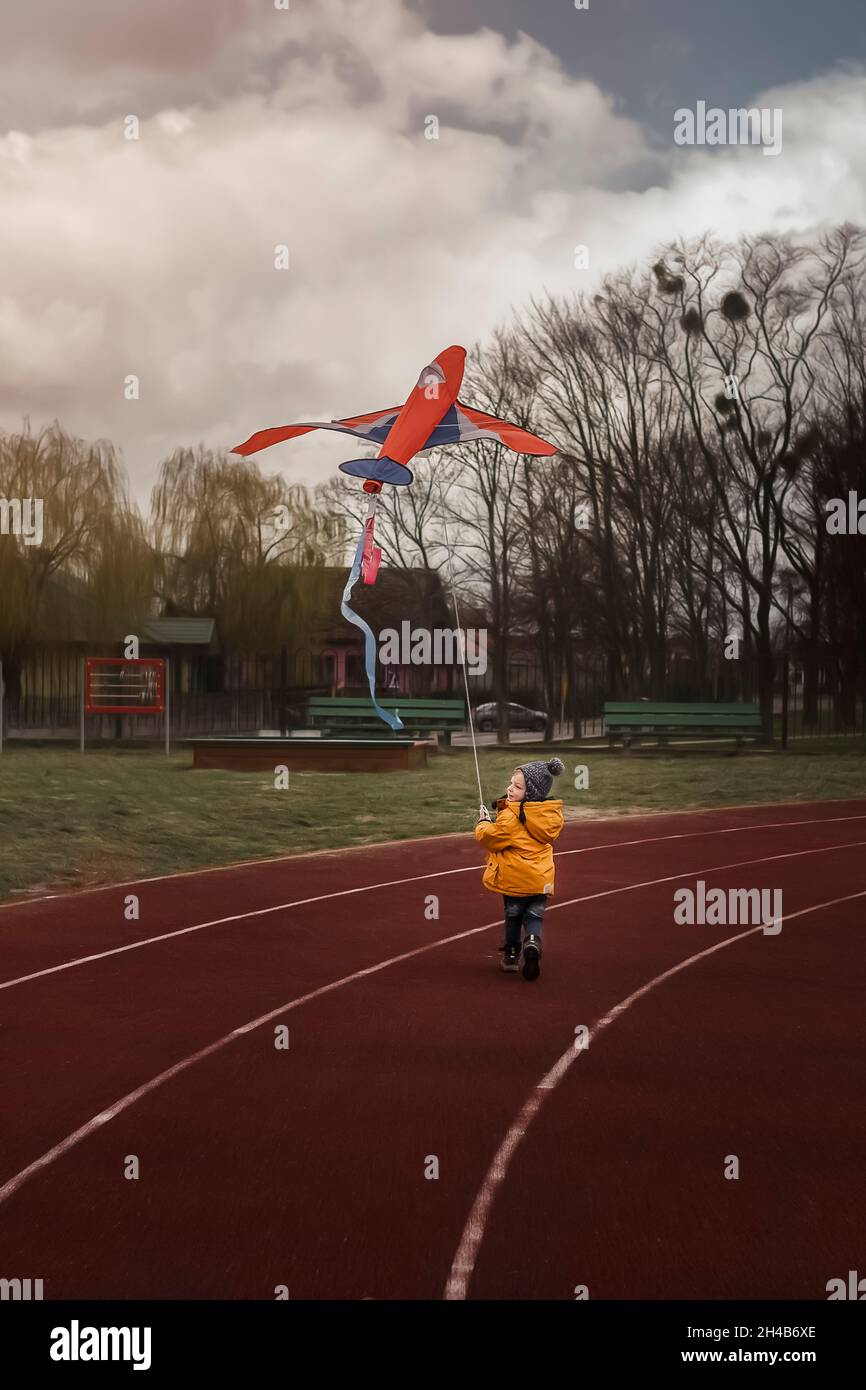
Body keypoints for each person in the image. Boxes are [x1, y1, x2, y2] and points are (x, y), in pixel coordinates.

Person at [474, 757, 565, 981]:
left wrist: (483, 823)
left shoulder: (512, 818)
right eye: (510, 783)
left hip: (515, 879)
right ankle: (532, 942)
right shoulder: (548, 815)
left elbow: (492, 839)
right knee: (535, 916)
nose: (509, 788)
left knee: (513, 917)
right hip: (540, 880)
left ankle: (512, 957)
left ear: (530, 792)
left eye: (516, 786)